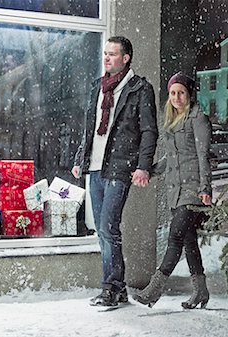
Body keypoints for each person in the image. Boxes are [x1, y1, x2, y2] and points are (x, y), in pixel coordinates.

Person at [71, 36, 158, 307]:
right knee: (102, 229)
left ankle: (111, 286)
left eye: (112, 54)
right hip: (95, 167)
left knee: (108, 227)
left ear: (126, 57)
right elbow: (90, 128)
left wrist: (143, 166)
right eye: (105, 54)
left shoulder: (139, 88)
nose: (106, 58)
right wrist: (80, 159)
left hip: (120, 167)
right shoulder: (99, 87)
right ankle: (116, 288)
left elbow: (148, 131)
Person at [132, 72, 212, 309]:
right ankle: (201, 291)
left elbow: (202, 156)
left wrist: (205, 188)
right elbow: (173, 157)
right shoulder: (173, 119)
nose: (177, 97)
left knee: (175, 238)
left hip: (192, 189)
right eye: (173, 93)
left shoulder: (198, 119)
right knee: (189, 242)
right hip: (175, 189)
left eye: (182, 93)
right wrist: (149, 170)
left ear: (189, 94)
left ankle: (153, 291)